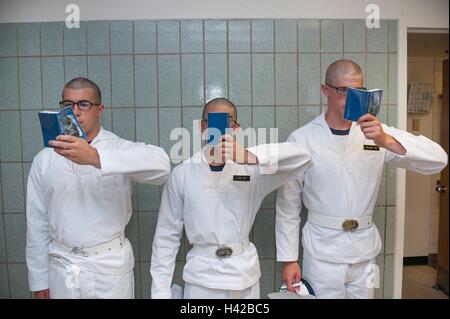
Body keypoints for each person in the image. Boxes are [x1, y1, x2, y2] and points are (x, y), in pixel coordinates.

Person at [275, 59, 448, 299]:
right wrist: (289, 259)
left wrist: (386, 141)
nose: (350, 97)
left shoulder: (378, 133)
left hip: (364, 251)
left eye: (358, 91)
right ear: (326, 91)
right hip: (322, 253)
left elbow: (438, 160)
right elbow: (288, 206)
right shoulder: (302, 139)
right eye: (344, 90)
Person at [150, 98, 311, 299]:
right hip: (201, 279)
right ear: (202, 127)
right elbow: (166, 237)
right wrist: (159, 293)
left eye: (228, 121)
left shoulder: (253, 168)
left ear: (236, 128)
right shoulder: (182, 174)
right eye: (212, 121)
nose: (220, 127)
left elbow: (304, 157)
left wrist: (249, 156)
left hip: (244, 278)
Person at [26, 77, 171, 299]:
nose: (75, 112)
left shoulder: (117, 147)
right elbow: (36, 222)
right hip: (61, 266)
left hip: (109, 268)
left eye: (84, 104)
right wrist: (38, 280)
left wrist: (96, 157)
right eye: (68, 105)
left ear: (99, 109)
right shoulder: (44, 159)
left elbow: (162, 167)